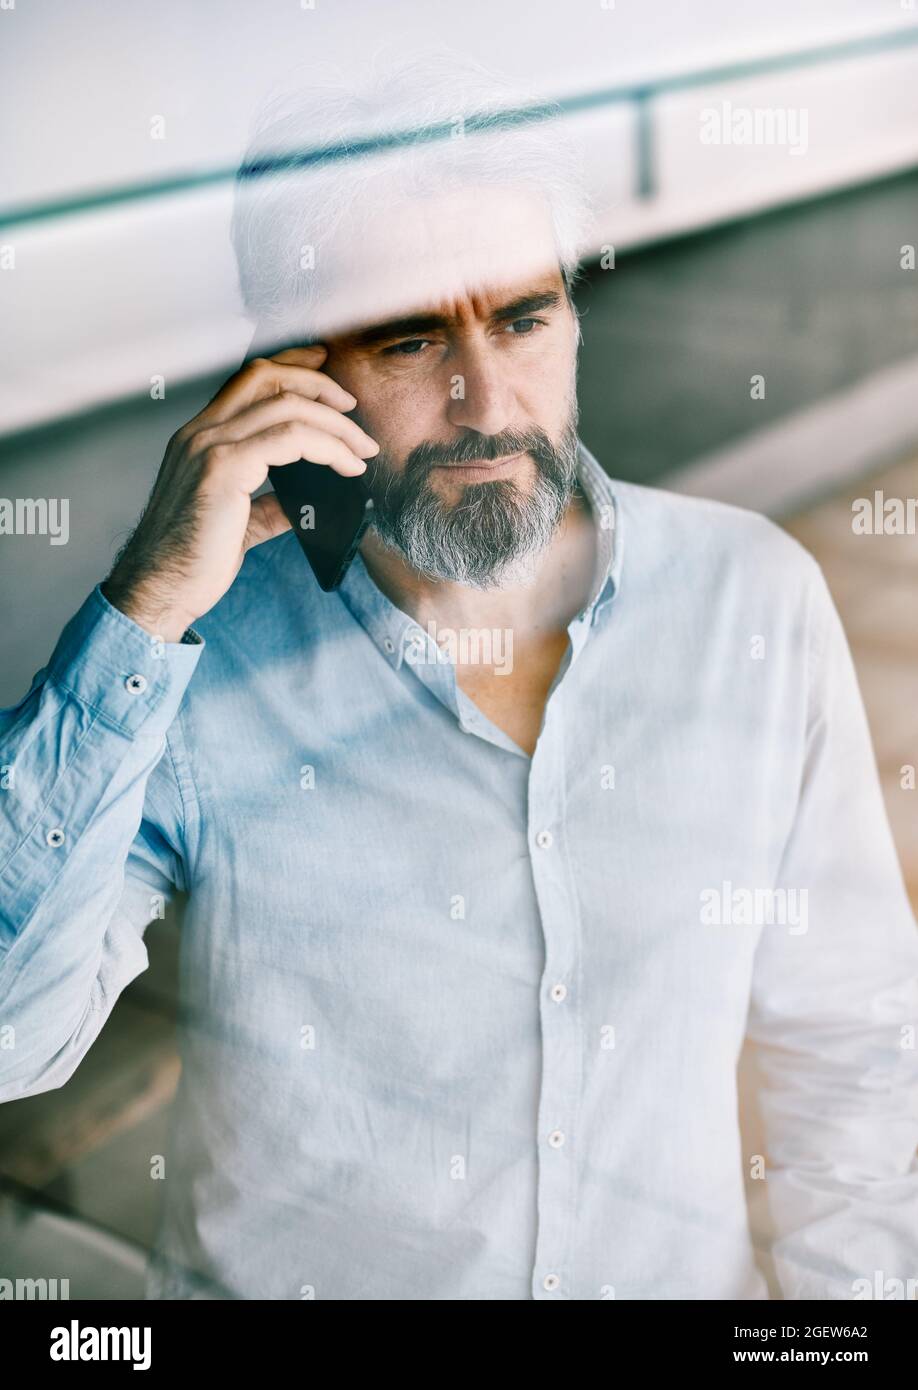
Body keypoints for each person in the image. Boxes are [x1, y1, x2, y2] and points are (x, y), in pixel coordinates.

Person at [1, 49, 917, 1301]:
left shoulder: (751, 601)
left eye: (524, 317)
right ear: (295, 375)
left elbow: (857, 1049)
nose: (486, 399)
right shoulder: (190, 666)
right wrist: (148, 602)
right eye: (409, 335)